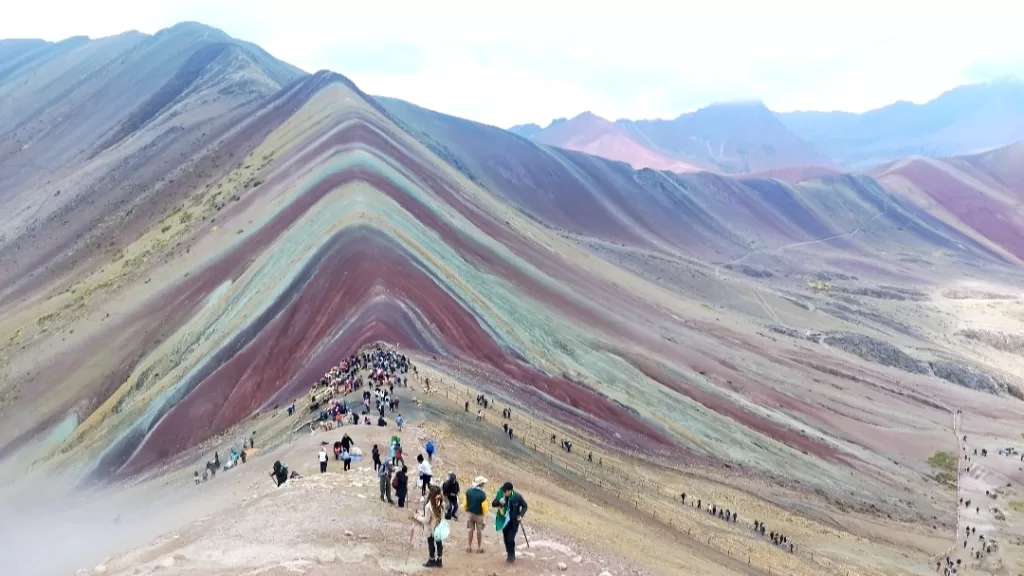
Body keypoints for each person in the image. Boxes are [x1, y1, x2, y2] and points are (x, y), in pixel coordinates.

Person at [493, 481, 528, 563]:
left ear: (510, 490)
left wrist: (521, 515)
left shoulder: (517, 497)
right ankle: (509, 553)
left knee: (510, 539)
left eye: (506, 491)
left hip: (514, 522)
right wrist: (499, 502)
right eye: (504, 491)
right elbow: (493, 504)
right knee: (505, 539)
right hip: (504, 521)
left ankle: (512, 555)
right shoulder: (501, 495)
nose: (504, 492)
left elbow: (525, 506)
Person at [414, 484, 445, 568]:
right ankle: (439, 560)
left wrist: (417, 517)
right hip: (438, 527)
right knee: (439, 543)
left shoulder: (428, 506)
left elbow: (426, 520)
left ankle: (431, 559)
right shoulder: (441, 503)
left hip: (430, 529)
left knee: (431, 543)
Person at [464, 476, 489, 553]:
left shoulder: (468, 491)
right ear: (481, 484)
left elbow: (465, 504)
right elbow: (484, 507)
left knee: (470, 530)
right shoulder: (483, 494)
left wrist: (467, 510)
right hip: (479, 515)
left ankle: (469, 546)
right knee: (479, 531)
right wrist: (483, 514)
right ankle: (479, 547)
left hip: (470, 514)